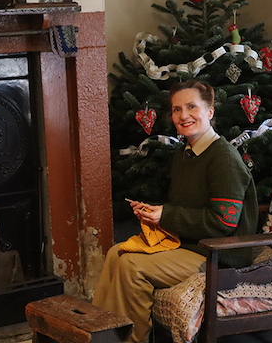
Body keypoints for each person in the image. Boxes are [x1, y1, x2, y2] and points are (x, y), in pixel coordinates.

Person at [92, 80, 258, 343]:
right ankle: (101, 335)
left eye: (192, 107)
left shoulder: (223, 159)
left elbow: (222, 223)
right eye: (177, 109)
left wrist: (166, 215)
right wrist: (154, 212)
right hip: (188, 244)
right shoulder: (185, 154)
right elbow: (183, 206)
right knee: (116, 253)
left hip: (220, 254)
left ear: (210, 112)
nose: (183, 115)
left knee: (131, 265)